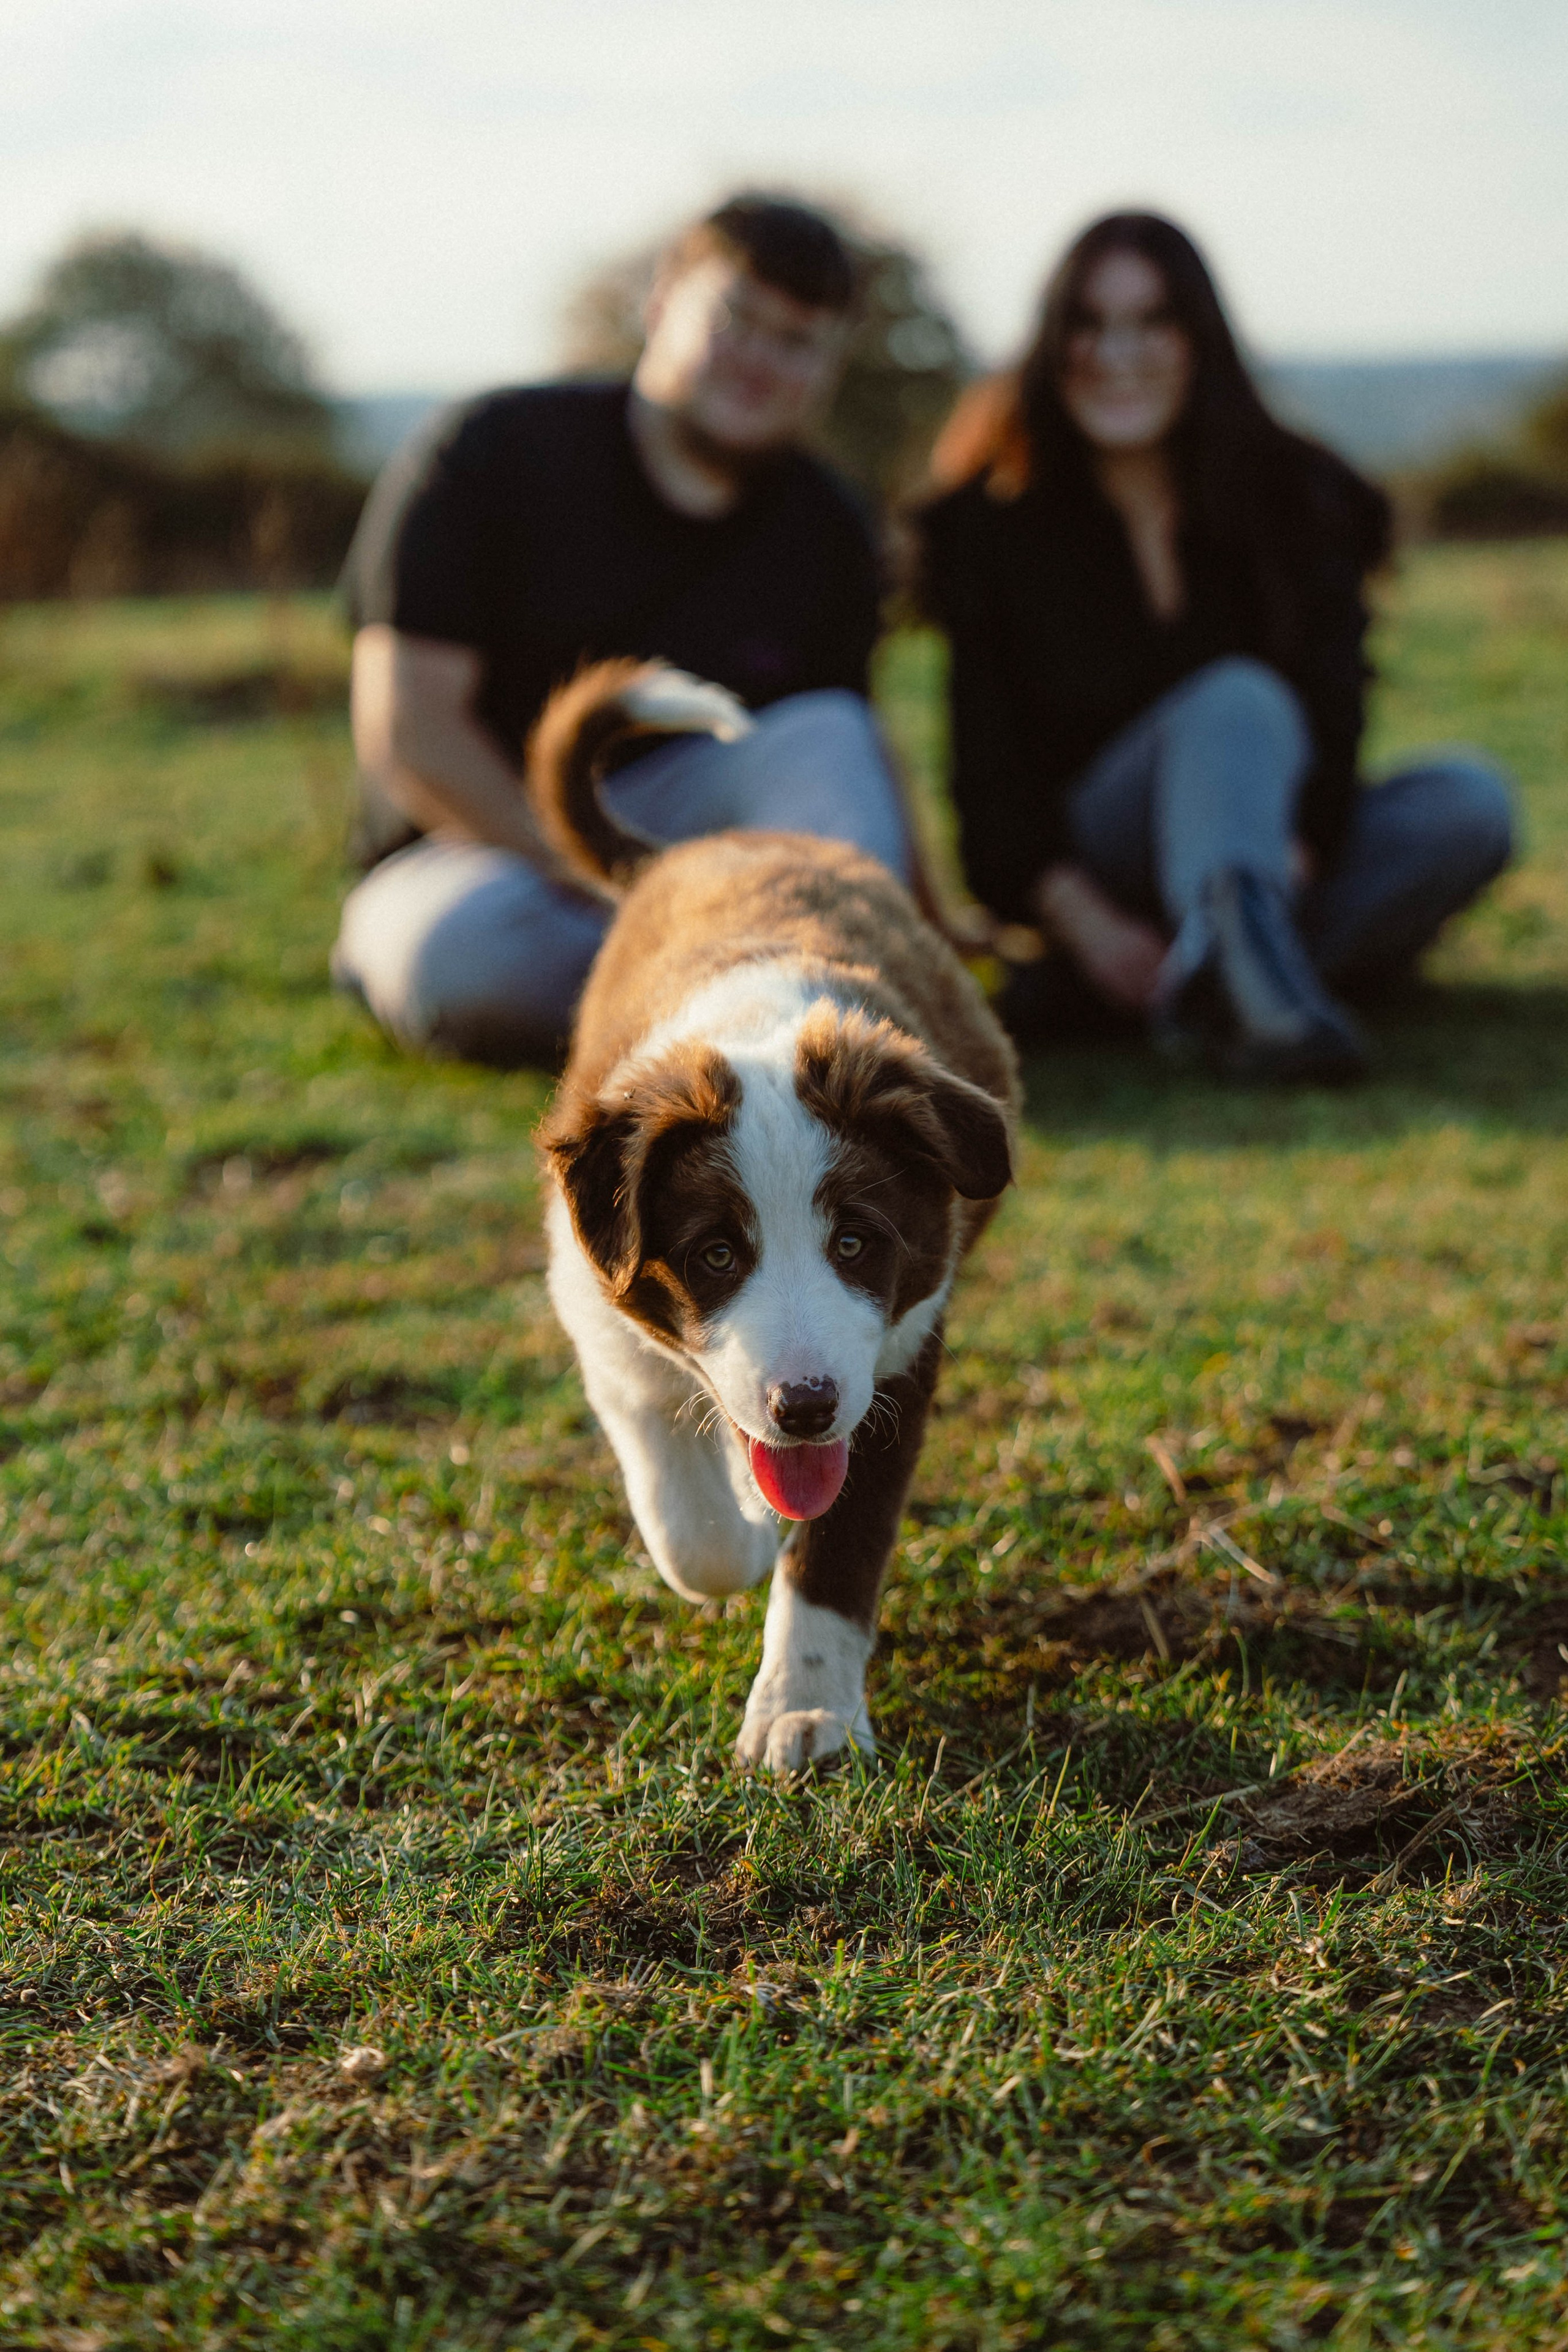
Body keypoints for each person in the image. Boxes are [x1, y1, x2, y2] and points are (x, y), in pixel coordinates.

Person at [917, 213, 1514, 1082]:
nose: (1119, 355)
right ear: (1054, 342)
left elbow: (1335, 726)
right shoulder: (991, 525)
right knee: (1233, 698)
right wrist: (1092, 927)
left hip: (1276, 856)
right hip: (1105, 866)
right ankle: (1240, 987)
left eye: (1153, 322)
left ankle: (1219, 976)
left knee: (1468, 805)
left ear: (1200, 338)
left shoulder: (1300, 498)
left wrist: (1292, 852)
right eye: (1090, 324)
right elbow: (992, 794)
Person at [334, 195, 916, 1066]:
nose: (760, 360)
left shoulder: (828, 523)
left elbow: (839, 766)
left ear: (831, 364)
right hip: (489, 860)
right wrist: (603, 881)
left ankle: (817, 1034)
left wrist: (930, 926)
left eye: (797, 342)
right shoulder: (490, 451)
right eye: (737, 319)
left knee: (831, 729)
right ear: (661, 303)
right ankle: (746, 1009)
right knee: (456, 957)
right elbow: (410, 734)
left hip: (702, 867)